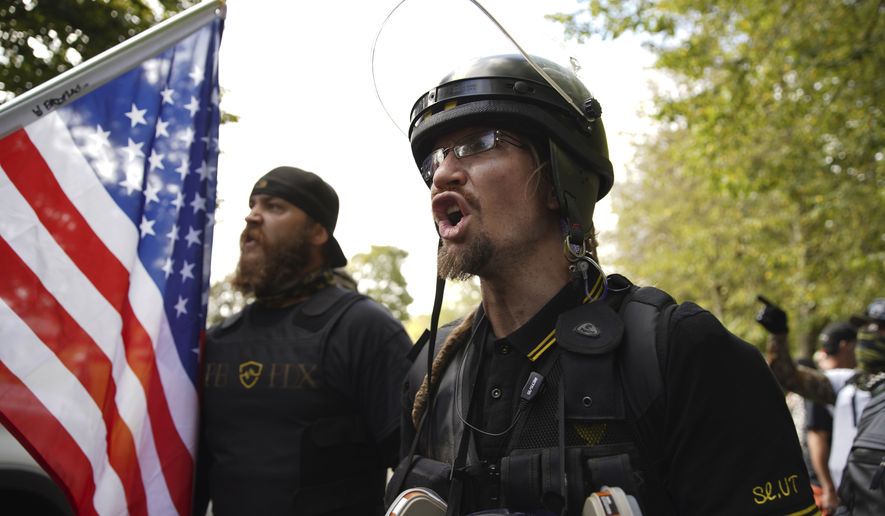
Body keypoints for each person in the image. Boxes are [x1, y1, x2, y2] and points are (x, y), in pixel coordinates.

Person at [386, 54, 817, 515]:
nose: (444, 174)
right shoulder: (431, 374)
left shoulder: (680, 352)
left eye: (479, 142)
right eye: (436, 157)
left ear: (560, 178)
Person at [193, 166, 413, 516]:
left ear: (317, 232)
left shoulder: (364, 329)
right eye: (252, 205)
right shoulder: (218, 339)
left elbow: (419, 471)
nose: (252, 216)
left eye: (274, 207)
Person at [760, 299, 884, 513]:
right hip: (849, 501)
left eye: (880, 328)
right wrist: (778, 336)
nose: (868, 333)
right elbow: (786, 376)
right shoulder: (848, 382)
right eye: (865, 327)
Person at [806, 323, 857, 514]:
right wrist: (828, 487)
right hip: (825, 486)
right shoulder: (826, 382)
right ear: (846, 346)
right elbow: (816, 436)